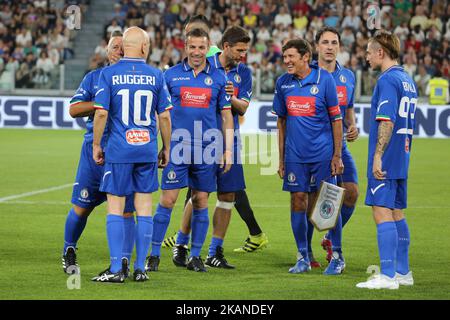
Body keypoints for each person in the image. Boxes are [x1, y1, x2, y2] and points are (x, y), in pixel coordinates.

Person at [162, 16, 269, 255]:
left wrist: (228, 97)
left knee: (228, 194)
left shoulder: (244, 72)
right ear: (226, 47)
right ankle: (181, 241)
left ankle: (215, 251)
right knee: (198, 194)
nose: (243, 55)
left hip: (230, 139)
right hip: (202, 140)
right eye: (239, 50)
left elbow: (242, 108)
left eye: (245, 50)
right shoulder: (205, 64)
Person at [148, 28, 234, 273]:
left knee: (201, 200)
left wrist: (227, 150)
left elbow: (226, 116)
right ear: (185, 48)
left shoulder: (219, 78)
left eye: (201, 47)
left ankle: (195, 256)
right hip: (177, 147)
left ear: (208, 49)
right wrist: (160, 145)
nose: (197, 52)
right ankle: (153, 254)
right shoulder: (171, 76)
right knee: (168, 199)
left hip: (207, 149)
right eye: (192, 47)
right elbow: (160, 114)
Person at [91, 26, 172, 283]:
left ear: (124, 46)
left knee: (115, 206)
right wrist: (166, 147)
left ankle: (116, 269)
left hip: (119, 149)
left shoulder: (109, 74)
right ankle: (140, 268)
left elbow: (102, 113)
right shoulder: (156, 75)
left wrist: (95, 144)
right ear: (145, 47)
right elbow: (165, 116)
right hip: (146, 149)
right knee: (144, 207)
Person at [61, 32, 136, 277]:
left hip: (124, 153)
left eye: (124, 48)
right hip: (94, 153)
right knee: (81, 207)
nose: (119, 51)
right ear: (107, 50)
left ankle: (123, 262)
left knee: (126, 210)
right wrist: (101, 102)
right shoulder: (94, 78)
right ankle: (69, 249)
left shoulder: (137, 80)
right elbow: (73, 109)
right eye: (115, 47)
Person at [272, 39, 345, 275]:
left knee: (328, 205)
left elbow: (336, 120)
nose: (287, 61)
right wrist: (281, 158)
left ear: (305, 57)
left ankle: (337, 256)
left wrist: (337, 155)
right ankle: (302, 256)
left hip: (322, 155)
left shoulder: (325, 80)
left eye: (291, 56)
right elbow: (281, 121)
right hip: (295, 156)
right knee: (297, 201)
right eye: (285, 57)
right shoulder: (283, 83)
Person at [357, 30, 417, 289]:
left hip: (388, 155)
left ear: (380, 52)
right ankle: (403, 272)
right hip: (403, 155)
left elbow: (387, 119)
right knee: (396, 212)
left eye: (369, 52)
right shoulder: (407, 79)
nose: (367, 57)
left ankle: (388, 276)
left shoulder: (387, 80)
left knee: (381, 212)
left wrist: (378, 155)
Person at [312, 26, 359, 268]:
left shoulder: (348, 76)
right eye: (325, 42)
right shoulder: (307, 73)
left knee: (351, 193)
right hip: (315, 146)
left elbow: (348, 109)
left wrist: (353, 126)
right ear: (317, 46)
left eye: (334, 43)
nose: (330, 47)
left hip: (340, 146)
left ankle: (330, 238)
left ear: (339, 47)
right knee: (315, 199)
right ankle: (306, 253)